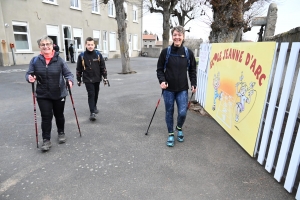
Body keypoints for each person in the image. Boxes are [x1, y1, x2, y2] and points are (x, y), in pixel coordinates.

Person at [25, 36, 74, 151]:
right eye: (43, 45)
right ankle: (46, 140)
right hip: (43, 94)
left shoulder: (60, 60)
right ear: (39, 47)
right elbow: (28, 74)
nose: (46, 46)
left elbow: (68, 74)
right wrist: (30, 78)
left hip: (59, 93)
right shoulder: (35, 60)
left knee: (59, 115)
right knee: (46, 117)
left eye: (48, 44)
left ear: (52, 46)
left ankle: (61, 132)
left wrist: (70, 81)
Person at [156, 25, 197, 147]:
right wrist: (162, 81)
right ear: (172, 36)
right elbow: (159, 70)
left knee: (183, 112)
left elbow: (192, 70)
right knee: (169, 111)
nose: (177, 37)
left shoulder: (188, 53)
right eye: (175, 35)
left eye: (179, 35)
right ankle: (170, 134)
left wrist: (193, 83)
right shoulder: (165, 52)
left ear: (183, 37)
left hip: (182, 89)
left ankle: (179, 127)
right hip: (168, 89)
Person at [76, 37, 108, 121]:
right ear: (85, 45)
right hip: (87, 79)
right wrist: (78, 79)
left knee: (96, 93)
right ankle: (92, 112)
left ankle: (94, 106)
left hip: (97, 78)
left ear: (94, 45)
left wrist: (105, 77)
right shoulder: (82, 56)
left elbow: (103, 67)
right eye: (88, 44)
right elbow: (78, 69)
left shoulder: (98, 55)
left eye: (92, 45)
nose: (90, 46)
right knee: (91, 94)